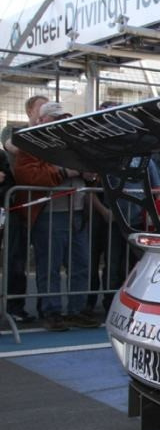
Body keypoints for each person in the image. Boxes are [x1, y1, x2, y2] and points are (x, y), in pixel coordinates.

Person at [13, 102, 99, 331]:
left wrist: (91, 175)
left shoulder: (73, 143)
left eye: (62, 117)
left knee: (80, 263)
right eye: (54, 118)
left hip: (77, 212)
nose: (60, 121)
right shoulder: (31, 143)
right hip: (50, 212)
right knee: (50, 265)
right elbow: (28, 175)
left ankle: (76, 310)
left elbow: (92, 171)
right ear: (41, 120)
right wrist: (64, 172)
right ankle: (51, 312)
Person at [3, 95, 48, 324]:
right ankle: (14, 307)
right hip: (18, 205)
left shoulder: (50, 134)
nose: (45, 110)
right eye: (42, 106)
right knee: (16, 259)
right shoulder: (13, 131)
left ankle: (47, 307)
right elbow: (10, 146)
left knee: (45, 259)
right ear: (30, 110)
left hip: (43, 206)